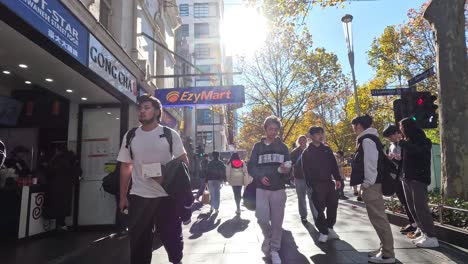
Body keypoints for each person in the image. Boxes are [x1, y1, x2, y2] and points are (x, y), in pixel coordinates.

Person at [117, 94, 188, 264]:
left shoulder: (169, 134)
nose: (141, 111)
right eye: (140, 108)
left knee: (173, 242)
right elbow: (126, 166)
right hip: (139, 197)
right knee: (138, 246)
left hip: (166, 198)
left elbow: (183, 161)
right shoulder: (130, 135)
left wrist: (164, 173)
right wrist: (122, 196)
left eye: (146, 108)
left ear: (157, 112)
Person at [350, 115, 395, 264]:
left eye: (353, 125)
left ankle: (387, 254)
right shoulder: (369, 138)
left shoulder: (367, 140)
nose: (353, 129)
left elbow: (370, 163)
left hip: (372, 185)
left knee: (378, 218)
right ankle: (384, 249)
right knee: (377, 218)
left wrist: (367, 183)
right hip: (373, 184)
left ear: (358, 126)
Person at [247, 115, 291, 264]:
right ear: (265, 129)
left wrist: (286, 170)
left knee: (277, 222)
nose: (273, 132)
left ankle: (274, 250)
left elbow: (289, 167)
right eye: (270, 129)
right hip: (261, 189)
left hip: (278, 188)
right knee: (262, 218)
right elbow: (251, 166)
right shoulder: (257, 147)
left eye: (275, 129)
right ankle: (268, 238)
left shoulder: (283, 147)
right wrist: (259, 177)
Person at [399, 118, 439, 248]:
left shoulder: (423, 141)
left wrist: (403, 144)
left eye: (401, 127)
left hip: (418, 179)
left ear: (407, 128)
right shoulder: (407, 142)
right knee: (412, 207)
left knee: (421, 208)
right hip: (407, 178)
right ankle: (424, 233)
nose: (400, 130)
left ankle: (431, 236)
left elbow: (418, 152)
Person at [302, 127, 342, 243]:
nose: (321, 136)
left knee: (333, 206)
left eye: (322, 134)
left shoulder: (327, 150)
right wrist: (310, 185)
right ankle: (323, 232)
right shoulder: (307, 152)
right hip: (316, 184)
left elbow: (334, 165)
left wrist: (338, 179)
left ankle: (330, 227)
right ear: (311, 136)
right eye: (317, 134)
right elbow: (305, 170)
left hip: (329, 183)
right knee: (319, 210)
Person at [382, 125, 416, 234]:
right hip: (397, 176)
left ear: (397, 133)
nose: (389, 139)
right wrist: (390, 159)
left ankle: (416, 224)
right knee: (403, 201)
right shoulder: (391, 146)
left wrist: (399, 159)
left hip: (406, 176)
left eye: (390, 136)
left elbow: (408, 159)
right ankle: (413, 223)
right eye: (388, 138)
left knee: (410, 201)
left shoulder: (406, 143)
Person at [44, 144, 81, 231]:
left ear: (57, 150)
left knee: (53, 205)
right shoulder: (72, 158)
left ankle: (51, 225)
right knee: (63, 206)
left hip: (55, 186)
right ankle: (61, 224)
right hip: (67, 186)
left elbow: (49, 171)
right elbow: (78, 171)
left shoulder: (56, 159)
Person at [290, 135, 317, 223]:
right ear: (298, 141)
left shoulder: (311, 150)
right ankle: (303, 215)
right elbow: (290, 164)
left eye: (304, 139)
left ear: (306, 141)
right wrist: (291, 177)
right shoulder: (294, 152)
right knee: (301, 198)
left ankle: (316, 215)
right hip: (299, 177)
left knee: (312, 197)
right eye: (300, 140)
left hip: (310, 177)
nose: (302, 141)